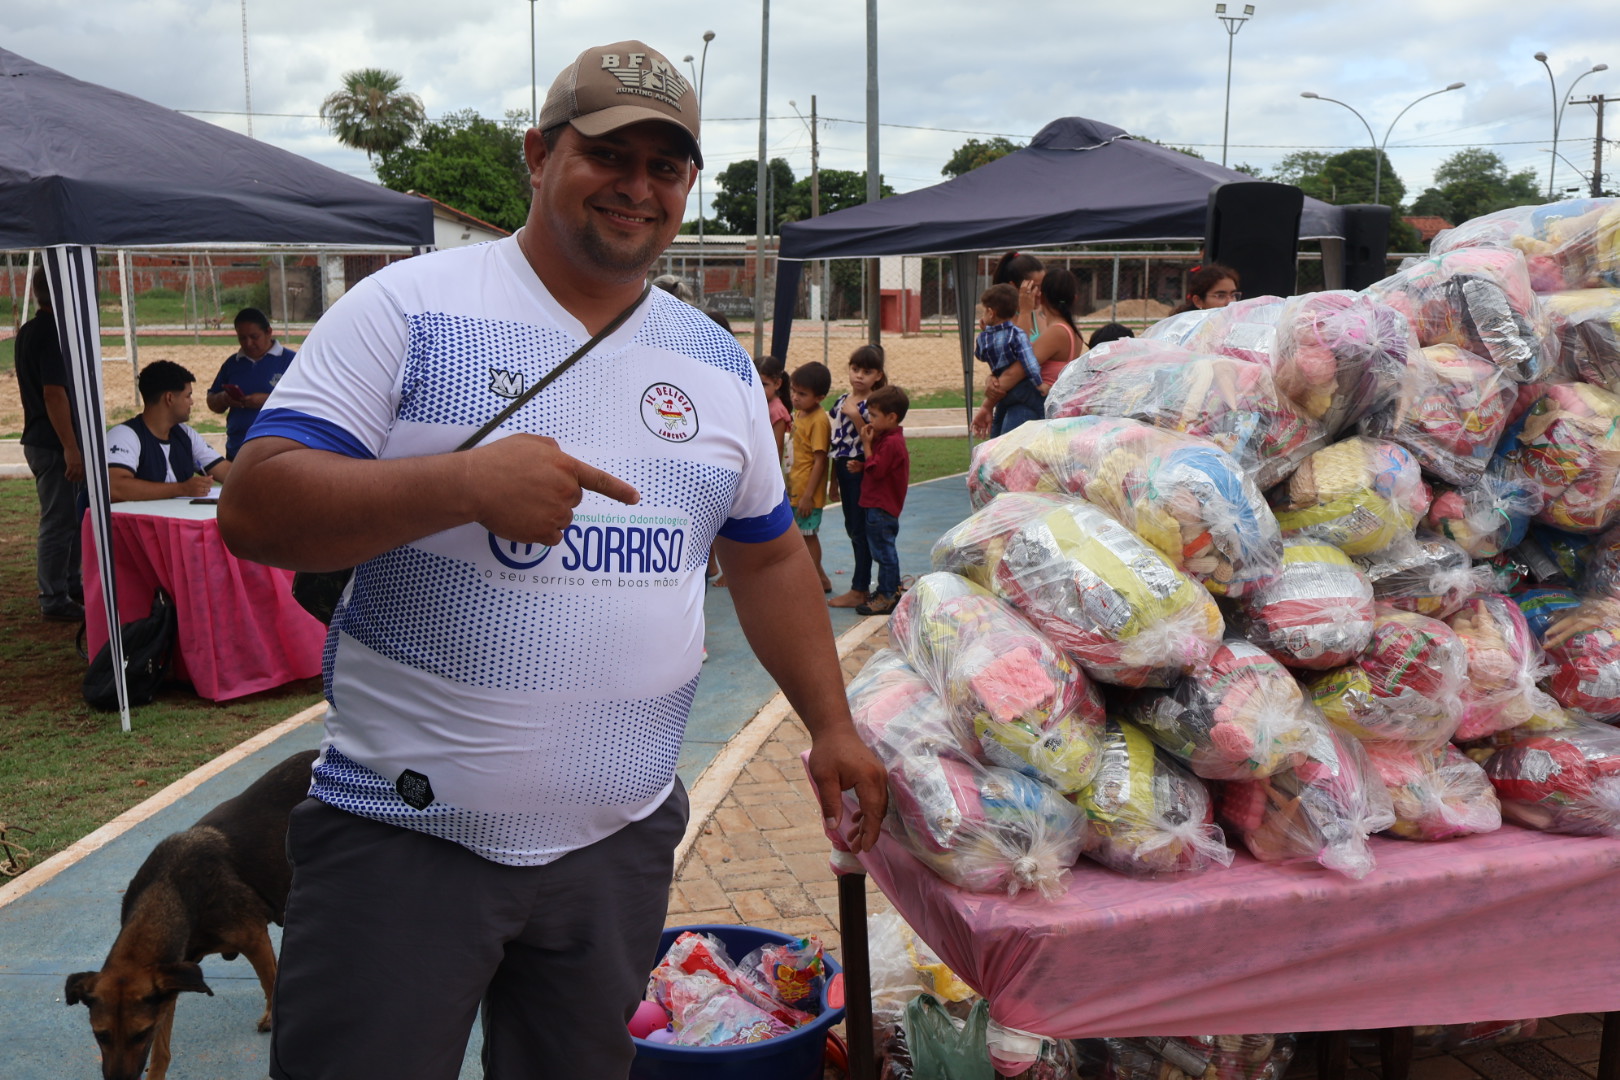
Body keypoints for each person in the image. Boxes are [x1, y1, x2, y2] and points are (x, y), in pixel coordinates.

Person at [216, 38, 885, 1080]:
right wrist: (460, 483)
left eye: (667, 167)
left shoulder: (711, 361)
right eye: (609, 154)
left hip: (613, 847)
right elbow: (256, 507)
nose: (638, 187)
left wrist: (833, 724)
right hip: (404, 838)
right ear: (538, 153)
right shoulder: (410, 309)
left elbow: (765, 560)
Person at [15, 268, 85, 622]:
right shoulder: (53, 333)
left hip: (46, 439)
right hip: (54, 442)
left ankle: (71, 584)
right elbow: (54, 393)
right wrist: (71, 447)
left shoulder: (30, 330)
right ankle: (54, 596)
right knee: (59, 520)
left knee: (71, 517)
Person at [712, 355, 790, 590]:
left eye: (764, 384)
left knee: (748, 528)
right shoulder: (756, 404)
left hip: (762, 476)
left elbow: (774, 448)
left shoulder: (777, 411)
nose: (759, 387)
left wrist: (764, 479)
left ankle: (737, 573)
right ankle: (727, 570)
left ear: (778, 384)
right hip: (747, 470)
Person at [107, 361, 230, 503]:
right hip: (136, 524)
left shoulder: (185, 434)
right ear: (169, 398)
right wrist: (181, 489)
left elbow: (227, 472)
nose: (191, 402)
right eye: (188, 396)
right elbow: (115, 487)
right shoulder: (124, 435)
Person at [827, 345, 887, 610]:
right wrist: (833, 480)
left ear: (878, 375)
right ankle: (860, 585)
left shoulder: (875, 404)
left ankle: (860, 588)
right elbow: (835, 442)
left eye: (867, 371)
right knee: (853, 527)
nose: (859, 375)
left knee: (861, 529)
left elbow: (874, 439)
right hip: (843, 467)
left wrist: (856, 417)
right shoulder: (841, 401)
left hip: (862, 467)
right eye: (855, 369)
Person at [205, 308, 296, 460]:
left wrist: (267, 401)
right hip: (238, 449)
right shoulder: (232, 364)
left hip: (279, 451)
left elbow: (307, 402)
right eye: (242, 338)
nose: (248, 343)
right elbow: (212, 402)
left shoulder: (291, 361)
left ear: (268, 332)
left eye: (254, 337)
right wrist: (223, 398)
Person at [854, 385, 910, 617]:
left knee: (884, 552)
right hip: (876, 504)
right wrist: (862, 465)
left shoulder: (891, 443)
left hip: (881, 507)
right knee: (881, 551)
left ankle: (888, 595)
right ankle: (889, 590)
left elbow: (877, 471)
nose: (870, 419)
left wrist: (866, 445)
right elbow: (877, 466)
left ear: (891, 417)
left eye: (874, 416)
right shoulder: (886, 439)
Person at [971, 283, 1044, 438]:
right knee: (1043, 410)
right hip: (1022, 387)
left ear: (991, 313)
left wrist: (986, 332)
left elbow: (980, 355)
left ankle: (993, 440)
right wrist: (1039, 383)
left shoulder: (983, 338)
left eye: (983, 311)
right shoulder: (1016, 333)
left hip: (1001, 392)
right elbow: (1028, 362)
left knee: (999, 419)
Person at [788, 361, 835, 594]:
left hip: (808, 492)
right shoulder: (800, 413)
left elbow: (820, 460)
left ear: (819, 397)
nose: (795, 397)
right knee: (798, 535)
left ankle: (816, 578)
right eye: (793, 391)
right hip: (795, 487)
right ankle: (821, 578)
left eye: (802, 394)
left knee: (808, 537)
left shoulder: (819, 421)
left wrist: (808, 495)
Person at [1030, 267, 1085, 392]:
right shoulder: (1073, 332)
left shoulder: (1057, 332)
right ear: (1074, 299)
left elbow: (1020, 368)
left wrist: (1023, 311)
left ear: (1042, 297)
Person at [992, 250, 1045, 340]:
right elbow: (1019, 347)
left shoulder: (1043, 313)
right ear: (1012, 287)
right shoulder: (1001, 320)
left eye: (1043, 286)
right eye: (1033, 287)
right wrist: (1025, 311)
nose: (1040, 293)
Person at [1168, 263, 1242, 315]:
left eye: (1233, 295)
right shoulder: (1185, 332)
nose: (1230, 302)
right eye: (1220, 296)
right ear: (1198, 301)